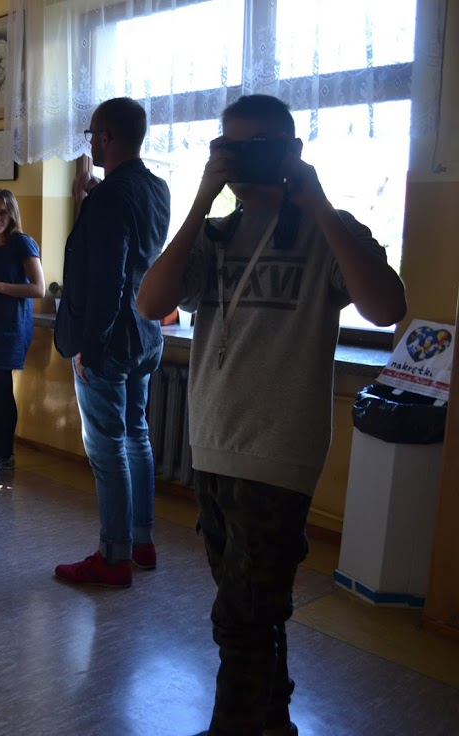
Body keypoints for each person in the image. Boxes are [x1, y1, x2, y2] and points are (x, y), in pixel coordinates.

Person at [136, 94, 406, 736]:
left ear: (291, 151)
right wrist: (202, 199)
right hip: (213, 440)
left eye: (260, 147)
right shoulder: (216, 234)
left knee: (241, 616)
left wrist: (317, 202)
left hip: (281, 449)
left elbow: (387, 307)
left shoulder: (327, 230)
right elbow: (151, 301)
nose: (246, 160)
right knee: (257, 607)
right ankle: (274, 719)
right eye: (233, 147)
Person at [53, 97, 170, 589]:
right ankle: (141, 542)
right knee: (136, 434)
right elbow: (133, 247)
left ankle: (113, 555)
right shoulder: (156, 188)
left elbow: (108, 280)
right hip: (146, 333)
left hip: (111, 339)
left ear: (105, 137)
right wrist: (91, 199)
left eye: (92, 135)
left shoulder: (106, 200)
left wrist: (90, 347)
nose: (91, 144)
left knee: (106, 447)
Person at [0, 189, 45, 486]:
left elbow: (38, 288)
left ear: (12, 214)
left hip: (12, 326)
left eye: (2, 212)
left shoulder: (22, 243)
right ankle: (4, 455)